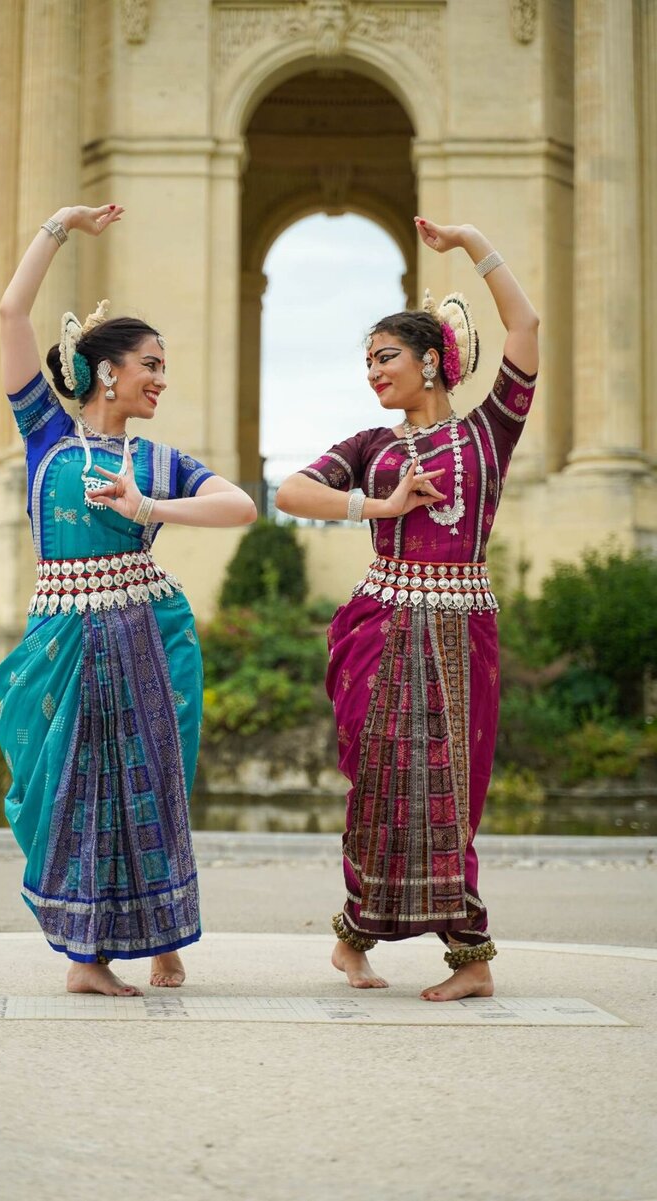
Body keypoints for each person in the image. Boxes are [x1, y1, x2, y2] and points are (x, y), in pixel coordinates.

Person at [0, 203, 257, 996]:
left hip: (146, 631)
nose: (161, 380)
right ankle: (85, 956)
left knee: (155, 781)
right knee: (70, 786)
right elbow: (11, 311)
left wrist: (150, 507)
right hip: (65, 639)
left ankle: (162, 938)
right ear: (108, 370)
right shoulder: (46, 433)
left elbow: (240, 505)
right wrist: (59, 226)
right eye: (151, 364)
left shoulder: (155, 459)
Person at [275, 217, 539, 1001]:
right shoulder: (371, 444)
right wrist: (377, 506)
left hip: (462, 632)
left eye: (385, 357)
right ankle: (354, 941)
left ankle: (473, 957)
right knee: (380, 787)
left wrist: (473, 244)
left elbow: (525, 325)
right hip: (382, 629)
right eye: (366, 361)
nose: (373, 372)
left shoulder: (490, 432)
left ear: (432, 361)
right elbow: (292, 491)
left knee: (450, 788)